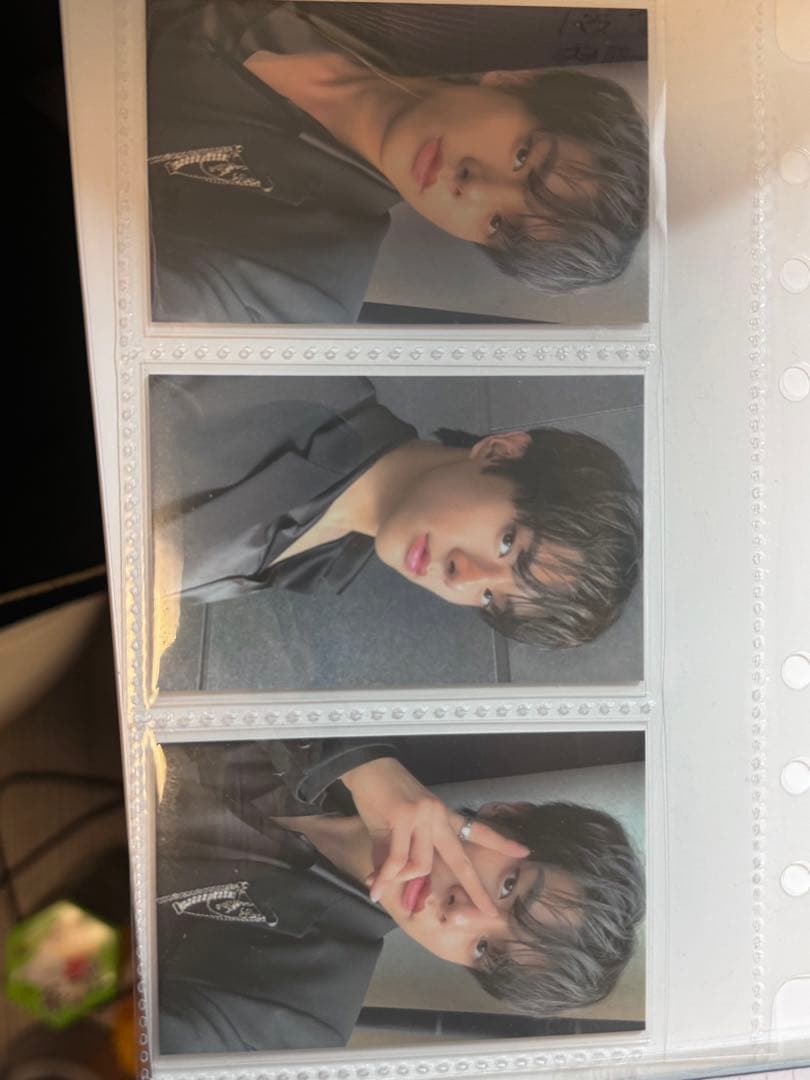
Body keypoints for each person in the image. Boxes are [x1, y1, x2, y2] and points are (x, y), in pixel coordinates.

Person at [147, 0, 649, 323]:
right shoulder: (378, 15)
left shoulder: (311, 265)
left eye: (498, 225)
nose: (471, 188)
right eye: (523, 157)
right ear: (515, 81)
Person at [156, 738, 645, 1053]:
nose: (460, 917)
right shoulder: (361, 724)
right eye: (508, 887)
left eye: (484, 949)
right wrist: (357, 760)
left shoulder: (303, 1012)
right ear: (505, 813)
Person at [152, 375, 641, 648]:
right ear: (501, 452)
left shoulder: (319, 568)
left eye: (492, 598)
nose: (462, 579)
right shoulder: (305, 386)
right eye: (508, 543)